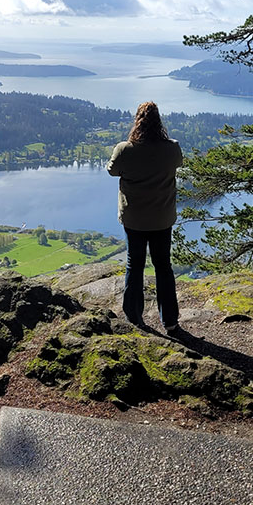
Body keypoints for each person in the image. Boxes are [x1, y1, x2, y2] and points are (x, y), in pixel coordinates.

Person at [107, 101, 184, 333]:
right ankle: (170, 321)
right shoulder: (172, 148)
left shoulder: (125, 149)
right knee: (163, 266)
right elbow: (179, 164)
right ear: (159, 122)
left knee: (135, 264)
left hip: (135, 218)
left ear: (137, 121)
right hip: (162, 218)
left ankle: (133, 317)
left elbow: (112, 170)